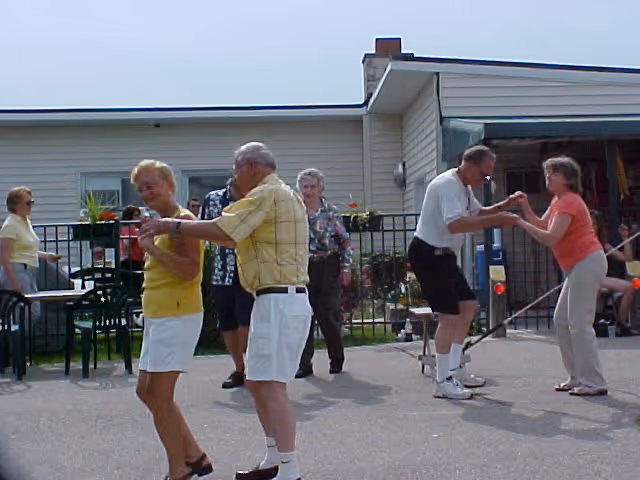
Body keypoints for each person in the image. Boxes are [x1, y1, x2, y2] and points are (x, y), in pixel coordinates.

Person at [141, 142, 311, 480]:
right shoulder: (279, 194)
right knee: (258, 382)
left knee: (272, 386)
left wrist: (170, 226)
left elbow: (222, 230)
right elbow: (230, 237)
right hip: (272, 299)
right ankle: (274, 460)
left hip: (279, 299)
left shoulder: (267, 194)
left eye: (235, 170)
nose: (232, 179)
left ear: (250, 166)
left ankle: (289, 469)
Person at [408, 145, 521, 400]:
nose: (485, 180)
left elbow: (477, 212)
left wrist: (505, 205)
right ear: (469, 166)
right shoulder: (448, 184)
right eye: (485, 174)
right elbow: (456, 223)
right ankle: (442, 380)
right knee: (448, 316)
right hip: (429, 254)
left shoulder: (464, 186)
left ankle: (455, 367)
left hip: (444, 254)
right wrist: (498, 220)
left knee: (468, 305)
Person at [131, 160, 212, 480]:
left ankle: (178, 468)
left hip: (177, 314)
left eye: (151, 186)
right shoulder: (159, 221)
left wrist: (152, 249)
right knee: (145, 391)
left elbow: (190, 270)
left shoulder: (182, 221)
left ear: (170, 185)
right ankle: (194, 454)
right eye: (140, 189)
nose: (145, 193)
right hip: (158, 315)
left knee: (160, 395)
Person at [517, 156, 608, 396]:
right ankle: (577, 376)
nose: (548, 177)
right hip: (578, 265)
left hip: (587, 262)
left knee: (579, 323)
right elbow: (542, 224)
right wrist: (525, 207)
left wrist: (519, 223)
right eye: (547, 173)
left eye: (553, 173)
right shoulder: (558, 201)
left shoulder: (569, 201)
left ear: (568, 178)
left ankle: (594, 382)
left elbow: (550, 238)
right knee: (562, 321)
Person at [295, 168, 351, 378]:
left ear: (321, 189)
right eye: (304, 187)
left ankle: (336, 358)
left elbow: (344, 241)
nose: (308, 191)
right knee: (303, 316)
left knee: (326, 313)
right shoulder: (294, 210)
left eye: (312, 187)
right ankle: (304, 363)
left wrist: (346, 268)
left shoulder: (330, 211)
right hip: (302, 267)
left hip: (328, 264)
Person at [201, 179, 254, 389]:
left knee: (246, 320)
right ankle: (239, 368)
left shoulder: (254, 200)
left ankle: (251, 368)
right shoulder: (213, 199)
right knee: (227, 322)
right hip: (221, 269)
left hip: (248, 269)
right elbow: (203, 228)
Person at [0, 186, 60, 317]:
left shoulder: (25, 221)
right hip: (18, 271)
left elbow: (26, 249)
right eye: (27, 203)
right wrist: (14, 281)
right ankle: (13, 338)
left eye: (32, 202)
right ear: (15, 205)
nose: (30, 206)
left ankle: (19, 337)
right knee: (22, 314)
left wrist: (46, 256)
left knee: (32, 312)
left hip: (29, 271)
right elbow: (4, 256)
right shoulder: (10, 225)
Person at [590, 210, 636, 336]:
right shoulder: (580, 243)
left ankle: (621, 324)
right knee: (596, 288)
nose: (590, 227)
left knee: (631, 286)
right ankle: (588, 324)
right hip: (587, 279)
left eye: (593, 225)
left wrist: (625, 238)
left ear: (598, 227)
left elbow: (627, 258)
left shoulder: (603, 245)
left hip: (602, 278)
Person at [119, 204, 143, 271]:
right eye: (137, 215)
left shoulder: (123, 228)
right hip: (133, 261)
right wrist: (128, 254)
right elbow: (126, 242)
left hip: (125, 261)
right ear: (129, 216)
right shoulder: (131, 228)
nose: (139, 217)